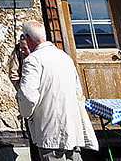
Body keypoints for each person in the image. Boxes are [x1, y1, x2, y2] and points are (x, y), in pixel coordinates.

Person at [16, 20, 98, 161]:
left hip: (49, 128)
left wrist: (27, 114)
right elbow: (78, 92)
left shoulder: (33, 60)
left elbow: (28, 96)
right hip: (72, 126)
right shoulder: (65, 57)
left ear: (28, 38)